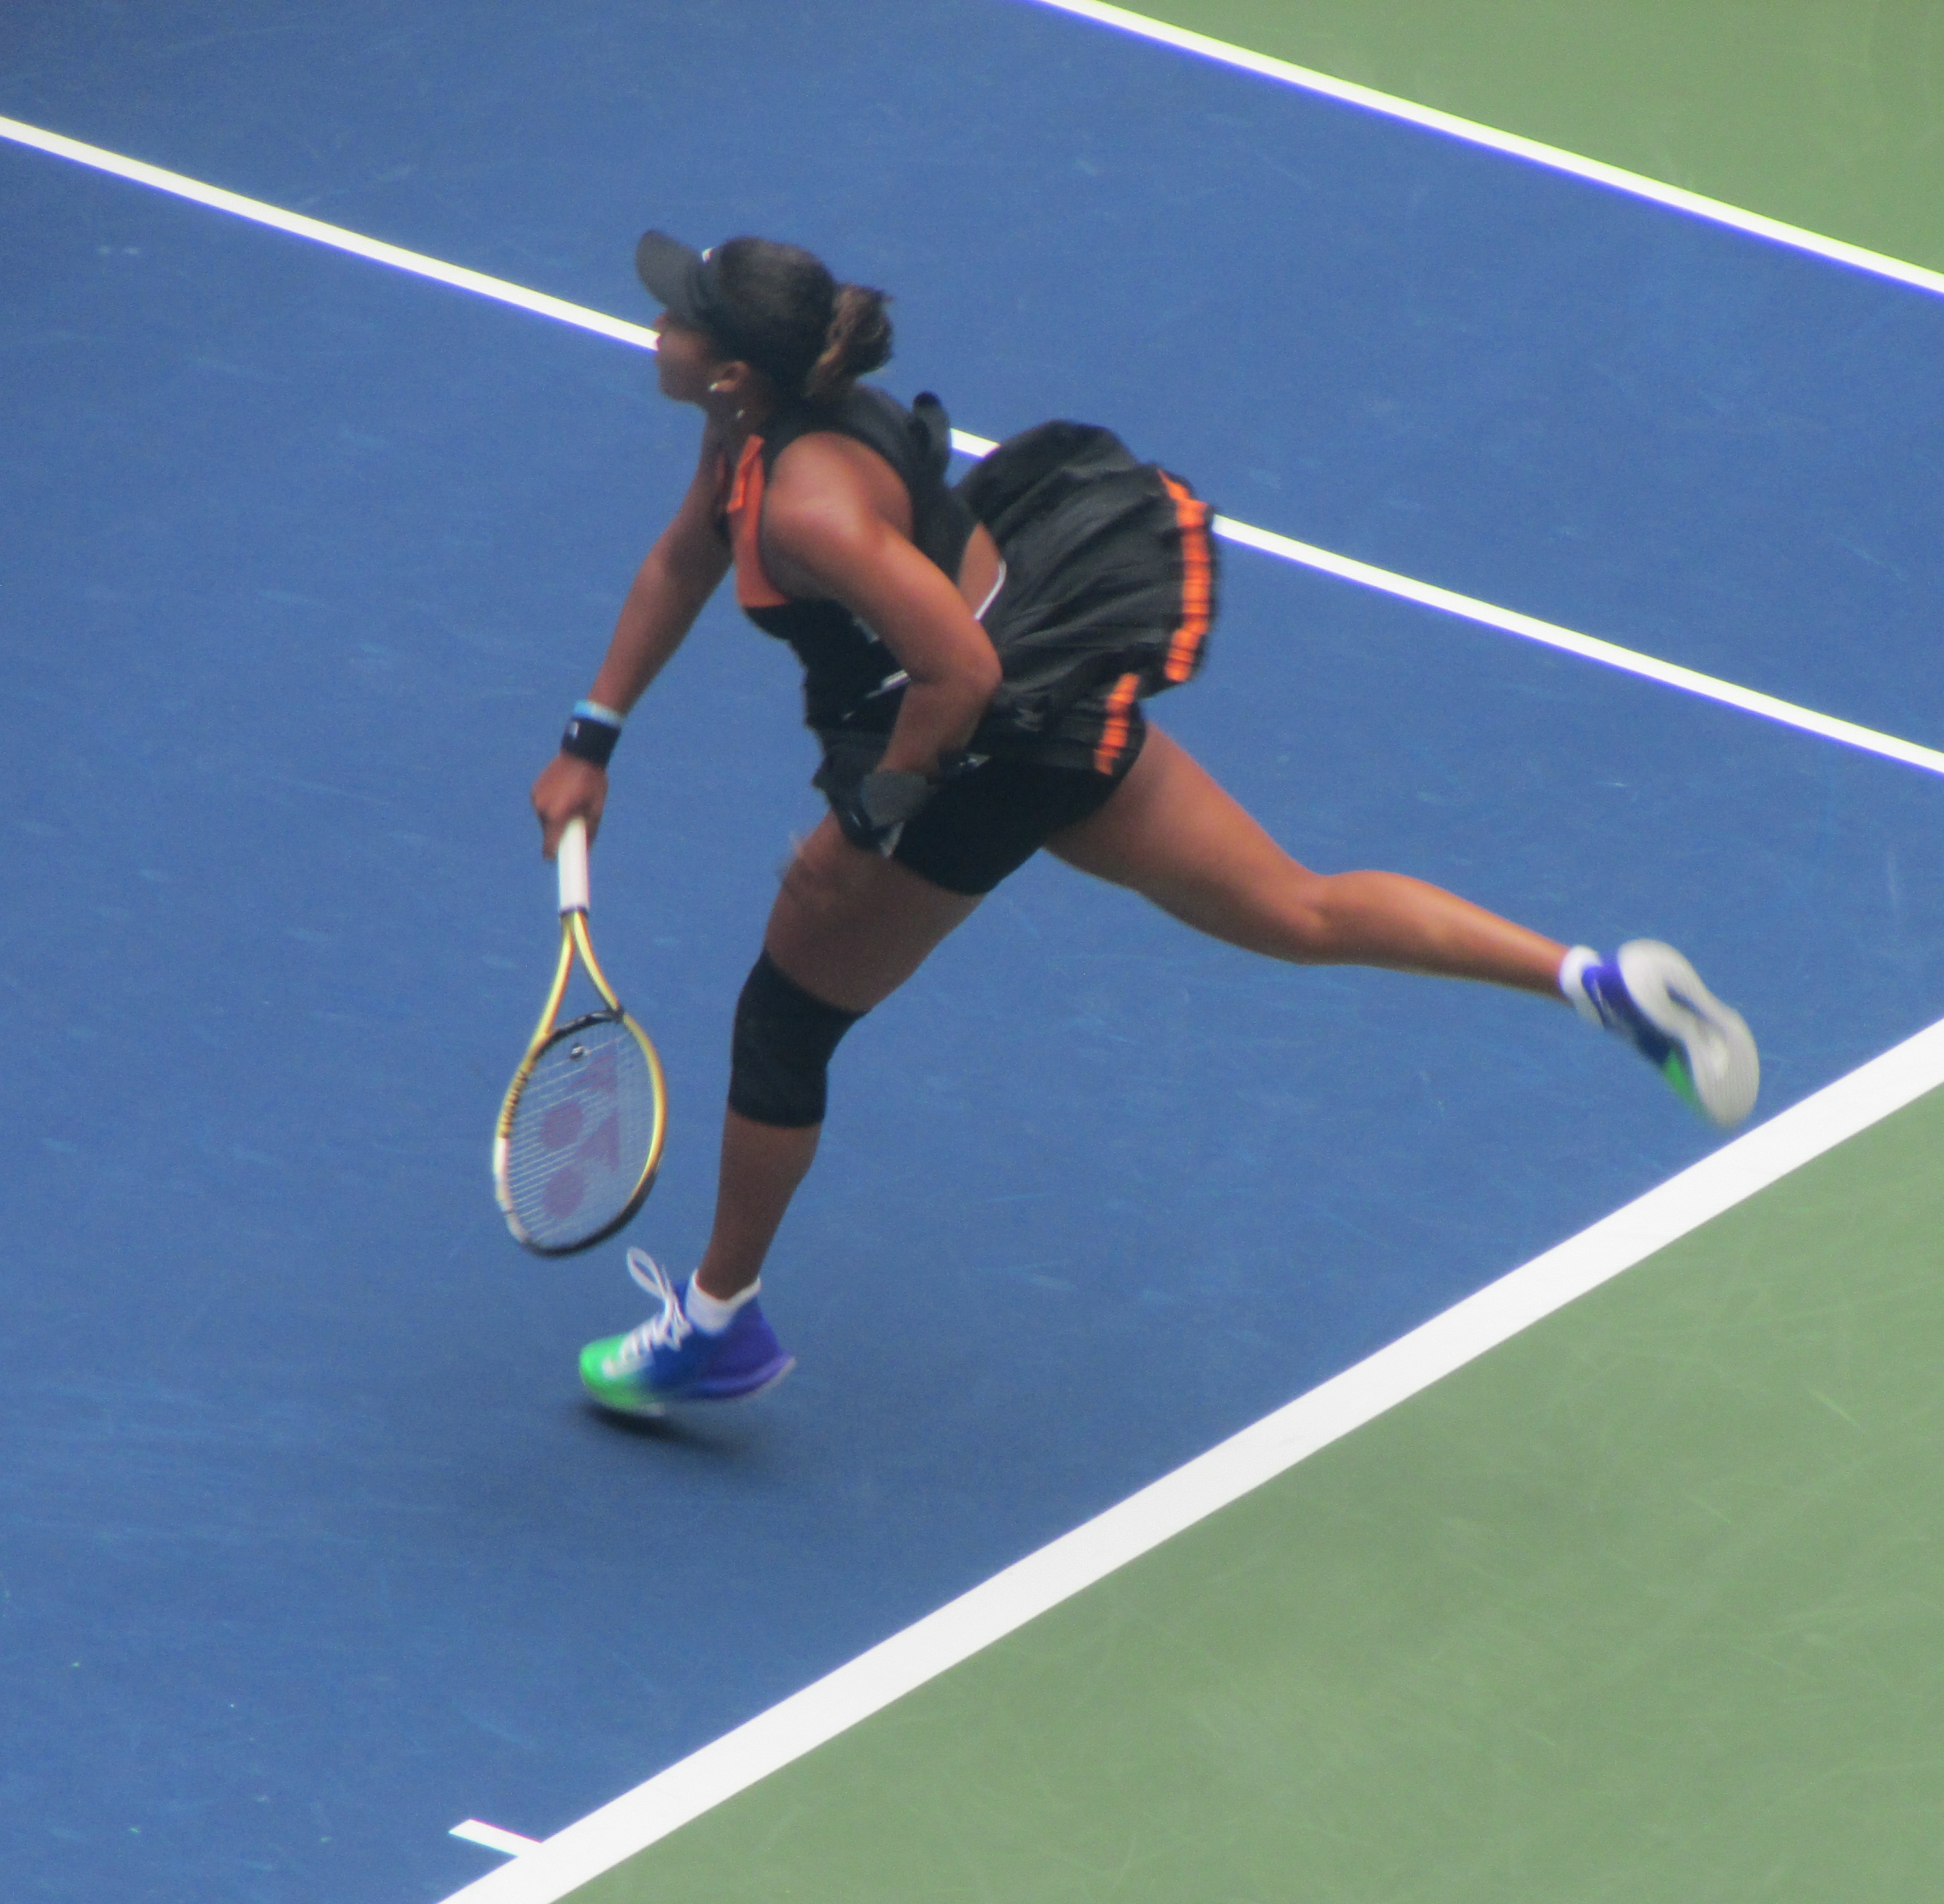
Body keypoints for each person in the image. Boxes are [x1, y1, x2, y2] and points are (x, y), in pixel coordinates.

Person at [531, 231, 1758, 1413]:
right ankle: (1595, 983)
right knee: (1295, 908)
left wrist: (872, 823)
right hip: (1050, 696)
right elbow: (681, 562)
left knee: (784, 1023)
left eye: (678, 317)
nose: (658, 327)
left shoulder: (810, 510)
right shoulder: (755, 428)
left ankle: (718, 1325)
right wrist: (592, 739)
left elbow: (957, 675)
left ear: (734, 370)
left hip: (969, 744)